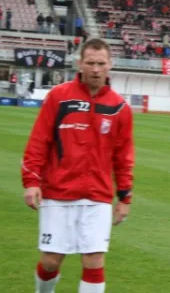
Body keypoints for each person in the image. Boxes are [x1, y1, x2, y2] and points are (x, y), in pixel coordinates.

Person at [21, 38, 135, 293]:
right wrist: (31, 182)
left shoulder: (119, 107)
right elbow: (39, 141)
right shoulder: (59, 97)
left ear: (110, 65)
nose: (96, 69)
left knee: (94, 259)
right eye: (91, 63)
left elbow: (124, 155)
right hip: (58, 192)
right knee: (51, 261)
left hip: (98, 195)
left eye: (101, 63)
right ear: (80, 64)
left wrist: (125, 196)